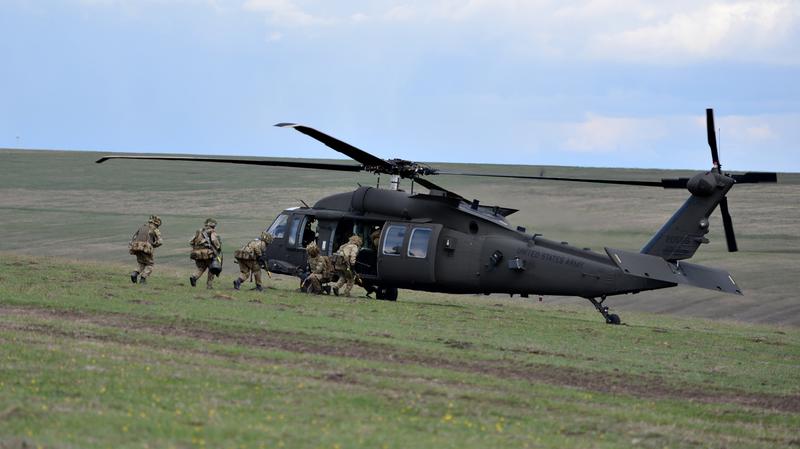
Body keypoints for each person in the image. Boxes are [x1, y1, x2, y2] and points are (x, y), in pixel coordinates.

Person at [129, 215, 163, 284]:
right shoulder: (155, 229)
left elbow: (134, 237)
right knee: (150, 264)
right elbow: (160, 242)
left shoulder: (142, 227)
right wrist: (153, 245)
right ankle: (143, 279)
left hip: (136, 247)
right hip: (145, 248)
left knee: (141, 263)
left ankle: (134, 273)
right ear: (157, 223)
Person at [189, 218, 222, 289]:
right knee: (212, 269)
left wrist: (197, 247)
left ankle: (194, 277)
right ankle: (209, 286)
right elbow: (214, 241)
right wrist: (218, 248)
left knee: (201, 268)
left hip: (197, 253)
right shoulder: (212, 232)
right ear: (213, 225)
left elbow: (191, 242)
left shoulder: (199, 232)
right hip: (208, 254)